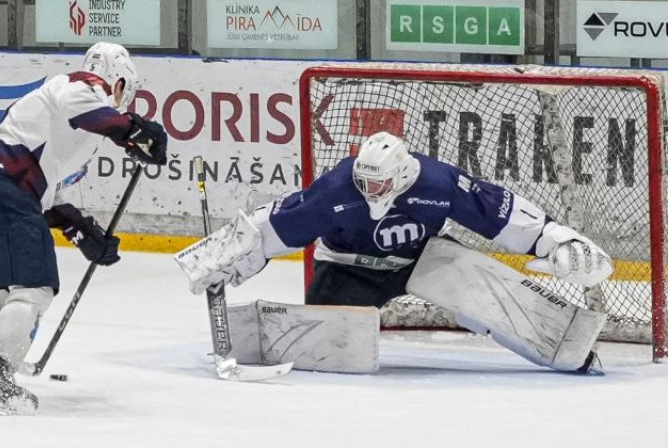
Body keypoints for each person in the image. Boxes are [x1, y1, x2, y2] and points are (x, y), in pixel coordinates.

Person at [175, 131, 613, 374]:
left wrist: (557, 239)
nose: (370, 192)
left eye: (379, 184)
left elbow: (493, 211)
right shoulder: (337, 187)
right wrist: (228, 257)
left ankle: (566, 346)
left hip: (423, 260)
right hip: (348, 269)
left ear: (402, 174)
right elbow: (282, 225)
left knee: (489, 293)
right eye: (364, 183)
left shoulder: (438, 184)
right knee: (322, 353)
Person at [0, 42, 167, 414]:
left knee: (15, 271)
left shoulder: (54, 120)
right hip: (4, 189)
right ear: (117, 82)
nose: (120, 102)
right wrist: (134, 130)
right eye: (123, 95)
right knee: (34, 288)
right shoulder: (82, 83)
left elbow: (47, 203)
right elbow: (86, 110)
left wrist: (83, 232)